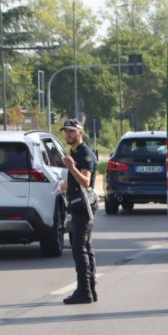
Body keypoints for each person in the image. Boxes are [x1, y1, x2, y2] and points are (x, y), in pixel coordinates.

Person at [60, 119, 98, 305]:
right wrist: (67, 184)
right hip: (77, 205)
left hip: (84, 207)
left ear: (80, 133)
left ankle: (84, 291)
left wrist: (71, 167)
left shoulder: (85, 154)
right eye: (66, 131)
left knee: (79, 248)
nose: (68, 135)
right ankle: (90, 289)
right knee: (86, 247)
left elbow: (86, 181)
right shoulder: (74, 152)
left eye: (72, 131)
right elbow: (78, 181)